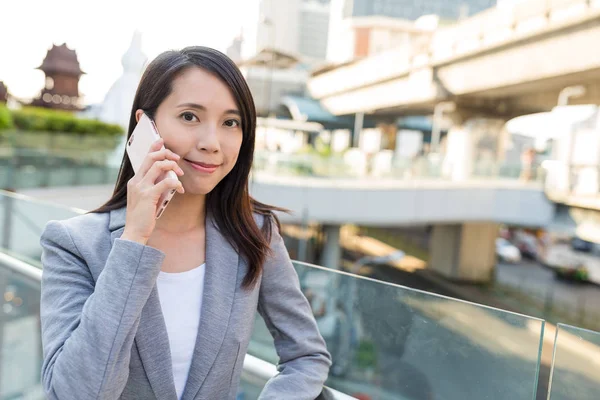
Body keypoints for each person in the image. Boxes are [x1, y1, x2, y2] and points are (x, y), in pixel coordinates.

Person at [39, 46, 332, 400]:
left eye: (230, 122)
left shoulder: (254, 232)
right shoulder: (72, 244)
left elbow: (307, 355)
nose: (211, 143)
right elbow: (73, 394)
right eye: (190, 116)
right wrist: (134, 240)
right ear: (144, 126)